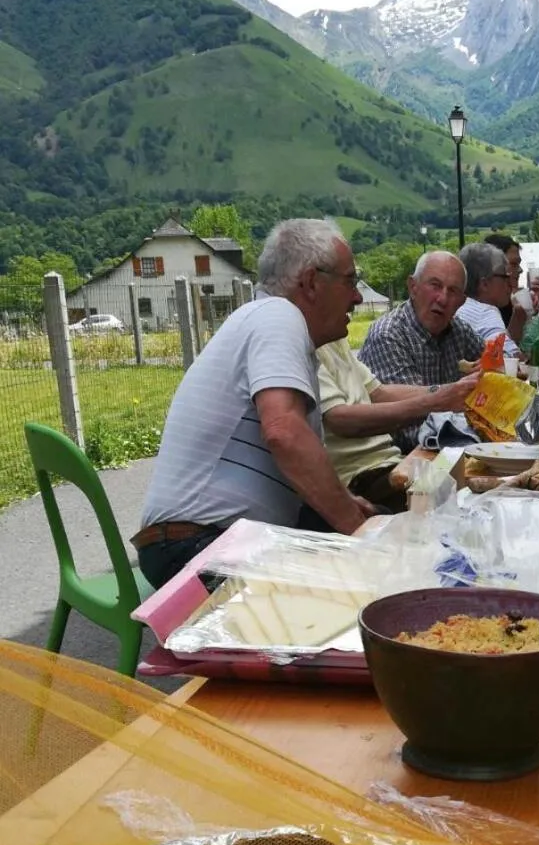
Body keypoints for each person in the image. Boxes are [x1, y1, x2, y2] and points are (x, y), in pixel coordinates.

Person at [132, 219, 375, 588]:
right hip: (197, 545)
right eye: (350, 281)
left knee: (381, 533)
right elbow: (284, 433)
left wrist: (345, 504)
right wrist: (360, 532)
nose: (357, 297)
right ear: (311, 282)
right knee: (366, 583)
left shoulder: (265, 318)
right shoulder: (278, 315)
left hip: (207, 539)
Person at [315, 338, 479, 512]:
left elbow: (379, 393)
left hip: (394, 464)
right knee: (462, 497)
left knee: (470, 474)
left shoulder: (334, 340)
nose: (351, 318)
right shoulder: (310, 345)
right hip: (362, 481)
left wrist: (455, 390)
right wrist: (437, 402)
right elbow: (340, 420)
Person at [358, 250, 484, 452]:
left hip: (450, 450)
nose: (443, 298)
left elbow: (495, 370)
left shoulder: (459, 330)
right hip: (399, 459)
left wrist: (489, 372)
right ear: (413, 287)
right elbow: (411, 432)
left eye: (453, 291)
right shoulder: (388, 335)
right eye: (435, 285)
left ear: (461, 302)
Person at [454, 242, 525, 351]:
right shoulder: (484, 312)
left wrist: (518, 317)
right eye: (504, 275)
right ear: (484, 284)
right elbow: (511, 357)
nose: (509, 281)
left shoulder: (458, 307)